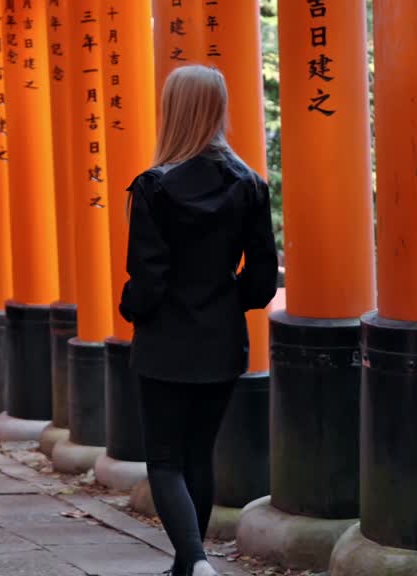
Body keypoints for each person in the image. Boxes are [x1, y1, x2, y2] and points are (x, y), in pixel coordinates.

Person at [119, 65, 279, 576]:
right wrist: (227, 299)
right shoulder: (250, 185)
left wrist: (132, 308)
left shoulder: (152, 188)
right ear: (219, 108)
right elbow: (260, 282)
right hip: (221, 341)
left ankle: (195, 561)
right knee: (198, 456)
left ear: (172, 110)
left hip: (166, 342)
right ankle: (188, 567)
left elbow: (148, 281)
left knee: (165, 461)